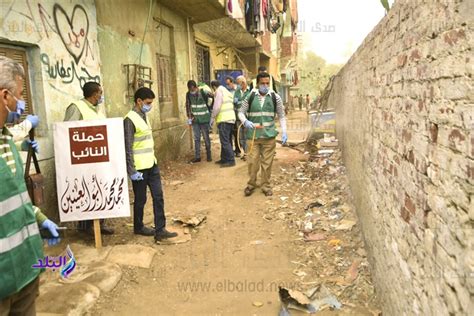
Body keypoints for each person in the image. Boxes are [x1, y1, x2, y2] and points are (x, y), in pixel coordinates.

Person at [0, 55, 60, 315]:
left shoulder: (6, 140)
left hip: (26, 271)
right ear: (5, 97)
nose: (21, 104)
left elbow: (14, 196)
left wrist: (38, 218)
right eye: (20, 96)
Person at [124, 87, 178, 242]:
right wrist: (131, 170)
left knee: (158, 196)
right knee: (140, 199)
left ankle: (160, 230)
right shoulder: (129, 119)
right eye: (148, 103)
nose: (150, 106)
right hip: (139, 168)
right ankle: (138, 226)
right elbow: (127, 147)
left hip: (152, 164)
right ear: (139, 101)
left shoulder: (144, 116)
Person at [64, 81, 114, 235]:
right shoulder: (76, 107)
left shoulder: (97, 110)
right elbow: (67, 131)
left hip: (99, 157)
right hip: (83, 159)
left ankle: (100, 224)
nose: (101, 96)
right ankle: (85, 227)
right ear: (94, 94)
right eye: (100, 93)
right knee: (85, 191)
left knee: (100, 189)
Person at [238, 72, 287, 197]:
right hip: (253, 136)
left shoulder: (276, 97)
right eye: (262, 83)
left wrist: (284, 131)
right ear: (257, 84)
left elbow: (281, 115)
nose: (265, 86)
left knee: (267, 163)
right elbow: (241, 112)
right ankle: (251, 184)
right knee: (252, 162)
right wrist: (245, 121)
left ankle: (265, 186)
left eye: (267, 83)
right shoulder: (250, 96)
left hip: (269, 136)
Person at [210, 80, 236, 168]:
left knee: (224, 141)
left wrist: (212, 117)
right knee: (227, 140)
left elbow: (217, 106)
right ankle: (224, 158)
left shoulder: (219, 91)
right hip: (231, 119)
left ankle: (231, 160)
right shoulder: (227, 91)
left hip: (224, 119)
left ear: (214, 87)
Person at [185, 80, 212, 163]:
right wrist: (189, 117)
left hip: (204, 119)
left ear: (196, 87)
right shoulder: (188, 94)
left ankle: (209, 155)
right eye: (190, 89)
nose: (192, 91)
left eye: (193, 89)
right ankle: (197, 157)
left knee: (206, 137)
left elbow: (212, 98)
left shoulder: (203, 92)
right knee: (196, 138)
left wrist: (211, 112)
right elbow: (188, 106)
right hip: (195, 120)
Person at [233, 75, 251, 159]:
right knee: (241, 137)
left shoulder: (250, 92)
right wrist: (234, 102)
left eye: (239, 83)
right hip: (238, 119)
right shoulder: (237, 92)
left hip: (247, 118)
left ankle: (247, 154)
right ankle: (245, 153)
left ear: (243, 83)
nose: (238, 85)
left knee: (247, 136)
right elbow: (235, 103)